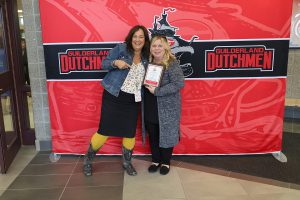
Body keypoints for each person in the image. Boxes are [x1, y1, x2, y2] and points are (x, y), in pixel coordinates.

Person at [83, 25, 150, 176]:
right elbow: (103, 64)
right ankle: (87, 160)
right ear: (130, 37)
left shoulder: (147, 57)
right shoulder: (121, 49)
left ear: (145, 40)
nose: (138, 40)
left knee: (129, 133)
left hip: (133, 100)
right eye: (135, 36)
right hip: (113, 96)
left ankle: (127, 162)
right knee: (104, 131)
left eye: (141, 37)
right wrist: (115, 63)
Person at [143, 35, 184, 175]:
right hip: (150, 105)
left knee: (166, 133)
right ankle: (155, 160)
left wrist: (158, 91)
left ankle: (165, 162)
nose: (157, 48)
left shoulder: (172, 63)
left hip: (167, 107)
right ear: (150, 48)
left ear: (166, 47)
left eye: (160, 45)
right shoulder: (146, 63)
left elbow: (179, 83)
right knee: (153, 133)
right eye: (154, 45)